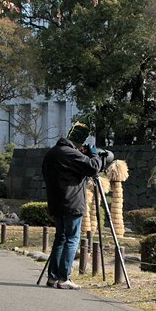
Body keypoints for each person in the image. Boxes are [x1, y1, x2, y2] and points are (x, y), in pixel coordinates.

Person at [42, 117, 102, 290]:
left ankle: (53, 277)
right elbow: (93, 167)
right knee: (72, 239)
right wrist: (95, 154)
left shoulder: (51, 153)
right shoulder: (70, 153)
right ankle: (64, 277)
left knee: (60, 238)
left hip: (56, 202)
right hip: (72, 203)